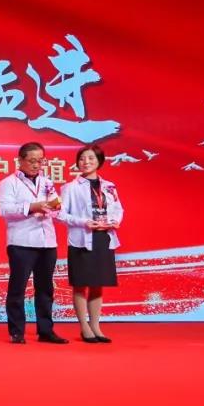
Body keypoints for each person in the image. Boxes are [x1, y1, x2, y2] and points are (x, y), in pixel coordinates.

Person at [0, 142, 69, 345]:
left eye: (40, 161)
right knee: (18, 288)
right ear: (20, 160)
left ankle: (46, 330)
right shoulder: (8, 183)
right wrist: (32, 207)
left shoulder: (47, 181)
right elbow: (4, 210)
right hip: (22, 241)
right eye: (32, 161)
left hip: (47, 241)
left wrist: (55, 208)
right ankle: (16, 331)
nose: (36, 165)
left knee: (45, 288)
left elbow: (57, 207)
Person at [59, 144, 124, 344]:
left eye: (90, 158)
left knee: (98, 283)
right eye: (82, 159)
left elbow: (118, 208)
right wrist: (83, 222)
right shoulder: (70, 187)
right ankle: (84, 327)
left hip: (103, 237)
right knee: (80, 283)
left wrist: (114, 221)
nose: (85, 162)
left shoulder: (109, 186)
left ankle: (96, 326)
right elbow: (61, 214)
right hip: (81, 240)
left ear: (99, 162)